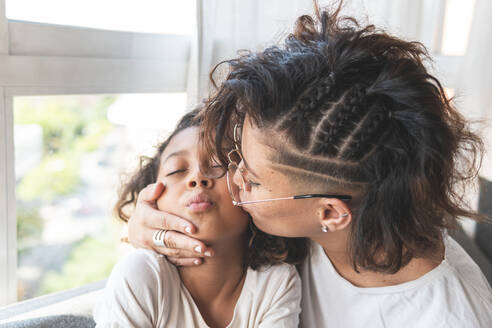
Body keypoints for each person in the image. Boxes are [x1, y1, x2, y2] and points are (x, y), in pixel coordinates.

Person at [127, 3, 492, 327]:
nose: (231, 180)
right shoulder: (315, 201)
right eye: (235, 155)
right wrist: (149, 228)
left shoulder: (449, 316)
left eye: (251, 180)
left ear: (331, 214)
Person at [93, 109, 307, 327]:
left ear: (249, 186)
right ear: (151, 200)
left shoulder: (276, 283)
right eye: (176, 170)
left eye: (218, 165)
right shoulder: (142, 274)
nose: (197, 177)